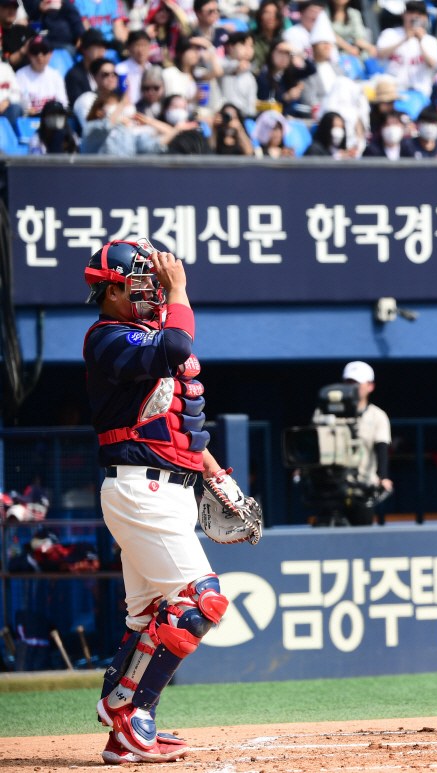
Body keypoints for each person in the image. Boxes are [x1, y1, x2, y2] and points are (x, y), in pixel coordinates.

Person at [83, 239, 251, 763]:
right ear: (111, 290)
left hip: (167, 489)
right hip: (141, 489)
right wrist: (179, 289)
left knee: (149, 615)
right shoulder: (108, 337)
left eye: (156, 282)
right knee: (200, 602)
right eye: (140, 282)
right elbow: (176, 346)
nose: (153, 290)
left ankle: (121, 716)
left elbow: (178, 429)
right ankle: (137, 716)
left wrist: (217, 475)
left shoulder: (149, 332)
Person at [317, 361, 392, 526]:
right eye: (348, 382)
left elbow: (382, 448)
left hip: (363, 488)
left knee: (361, 535)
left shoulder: (378, 416)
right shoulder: (324, 413)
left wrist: (383, 478)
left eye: (357, 383)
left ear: (370, 386)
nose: (352, 387)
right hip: (330, 488)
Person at [375, 1, 437, 97]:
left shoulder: (431, 41)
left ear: (425, 18)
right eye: (411, 12)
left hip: (420, 92)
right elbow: (380, 54)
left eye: (419, 14)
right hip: (393, 90)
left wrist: (420, 41)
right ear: (403, 15)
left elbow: (433, 64)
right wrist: (405, 39)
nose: (414, 17)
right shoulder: (390, 33)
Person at [16, 35, 66, 115]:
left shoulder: (56, 75)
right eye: (35, 51)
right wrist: (27, 110)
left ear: (50, 54)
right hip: (30, 119)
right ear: (29, 55)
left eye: (44, 51)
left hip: (52, 118)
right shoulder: (20, 75)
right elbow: (17, 103)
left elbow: (63, 103)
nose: (40, 55)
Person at [66, 28, 106, 109]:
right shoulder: (74, 75)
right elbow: (78, 105)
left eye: (103, 47)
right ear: (84, 49)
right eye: (97, 46)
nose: (102, 50)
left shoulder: (105, 73)